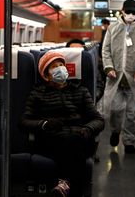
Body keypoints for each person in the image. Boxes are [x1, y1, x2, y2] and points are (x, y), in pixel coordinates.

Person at [19, 50, 105, 197]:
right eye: (54, 67)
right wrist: (45, 124)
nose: (60, 68)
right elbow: (23, 122)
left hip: (80, 136)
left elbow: (98, 120)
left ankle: (63, 185)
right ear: (46, 75)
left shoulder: (81, 91)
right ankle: (71, 187)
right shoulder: (38, 93)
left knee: (74, 142)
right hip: (51, 139)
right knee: (73, 149)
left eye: (61, 64)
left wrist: (87, 129)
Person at [101, 0, 135, 154]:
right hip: (115, 77)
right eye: (127, 12)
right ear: (122, 11)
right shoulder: (113, 28)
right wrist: (108, 67)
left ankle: (129, 142)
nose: (130, 15)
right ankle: (116, 131)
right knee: (115, 109)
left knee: (132, 113)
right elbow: (106, 49)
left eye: (133, 12)